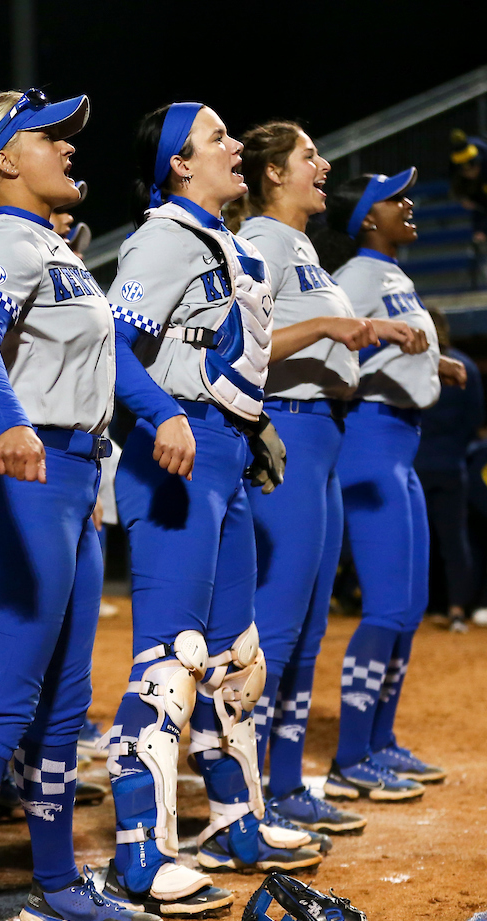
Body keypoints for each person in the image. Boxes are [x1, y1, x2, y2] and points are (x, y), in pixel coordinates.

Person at [0, 87, 163, 921]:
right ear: (5, 161)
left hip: (72, 482)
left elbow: (100, 359)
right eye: (49, 137)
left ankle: (57, 887)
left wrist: (160, 411)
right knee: (2, 707)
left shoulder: (48, 247)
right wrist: (9, 422)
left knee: (62, 708)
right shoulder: (4, 242)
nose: (68, 147)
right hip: (25, 479)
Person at [98, 102, 323, 919]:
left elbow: (215, 351)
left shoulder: (216, 240)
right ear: (180, 164)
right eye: (216, 138)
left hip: (219, 450)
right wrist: (163, 415)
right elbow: (111, 345)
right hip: (177, 458)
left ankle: (234, 822)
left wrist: (251, 425)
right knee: (171, 659)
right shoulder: (163, 238)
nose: (233, 146)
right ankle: (138, 852)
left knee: (234, 658)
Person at [233, 121, 423, 838]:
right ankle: (243, 798)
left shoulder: (301, 246)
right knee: (279, 627)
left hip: (324, 434)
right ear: (274, 173)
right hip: (288, 429)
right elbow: (239, 346)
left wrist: (363, 336)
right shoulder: (256, 241)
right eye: (310, 156)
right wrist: (326, 330)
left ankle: (285, 785)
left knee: (309, 628)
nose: (325, 165)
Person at [314, 168, 466, 800]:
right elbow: (333, 358)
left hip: (401, 441)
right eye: (393, 198)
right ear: (366, 219)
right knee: (384, 608)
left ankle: (380, 741)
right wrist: (389, 351)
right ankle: (352, 756)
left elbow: (385, 348)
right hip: (370, 441)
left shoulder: (390, 274)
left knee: (408, 608)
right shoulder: (355, 277)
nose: (408, 204)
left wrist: (433, 361)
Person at [417, 308, 483, 632]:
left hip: (415, 465)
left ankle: (417, 609)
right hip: (452, 465)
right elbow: (475, 420)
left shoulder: (415, 363)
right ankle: (457, 610)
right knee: (454, 541)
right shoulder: (466, 366)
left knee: (417, 541)